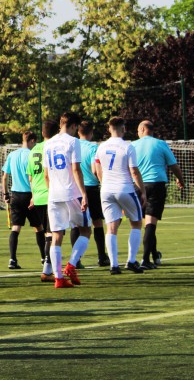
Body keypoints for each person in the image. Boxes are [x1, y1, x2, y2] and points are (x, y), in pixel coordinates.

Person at [43, 112, 91, 288]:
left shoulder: (48, 144)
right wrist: (84, 193)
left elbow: (46, 175)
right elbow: (76, 169)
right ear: (73, 126)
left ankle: (58, 278)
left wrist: (52, 192)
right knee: (86, 230)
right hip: (71, 193)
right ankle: (71, 265)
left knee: (56, 236)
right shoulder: (73, 141)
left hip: (53, 195)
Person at [94, 117, 147, 275]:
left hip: (106, 190)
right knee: (136, 223)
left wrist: (105, 183)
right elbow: (134, 171)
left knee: (111, 227)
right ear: (123, 129)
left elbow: (97, 169)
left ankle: (114, 265)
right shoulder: (127, 146)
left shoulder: (101, 147)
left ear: (109, 129)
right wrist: (142, 191)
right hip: (124, 188)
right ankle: (131, 261)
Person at [132, 120, 186, 269]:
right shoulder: (161, 144)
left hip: (138, 186)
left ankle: (154, 255)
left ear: (143, 129)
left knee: (147, 223)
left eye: (138, 130)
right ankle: (145, 259)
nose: (137, 132)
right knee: (151, 222)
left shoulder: (133, 145)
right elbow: (173, 165)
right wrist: (180, 180)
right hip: (156, 184)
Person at [70, 121, 111, 267]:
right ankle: (102, 257)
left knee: (76, 224)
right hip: (91, 188)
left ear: (78, 132)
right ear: (91, 133)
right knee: (97, 221)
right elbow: (95, 169)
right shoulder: (93, 148)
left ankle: (76, 259)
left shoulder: (72, 146)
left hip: (75, 188)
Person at [1, 131, 40, 270]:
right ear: (32, 141)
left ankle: (12, 259)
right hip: (30, 195)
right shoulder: (32, 155)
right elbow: (33, 178)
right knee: (38, 227)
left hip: (16, 195)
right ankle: (44, 258)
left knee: (16, 227)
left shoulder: (12, 155)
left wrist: (6, 194)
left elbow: (4, 177)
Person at [27, 121, 58, 282]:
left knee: (48, 233)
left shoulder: (33, 150)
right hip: (50, 194)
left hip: (38, 196)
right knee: (53, 234)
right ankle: (47, 269)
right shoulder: (53, 147)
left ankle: (50, 268)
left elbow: (30, 177)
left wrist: (33, 196)